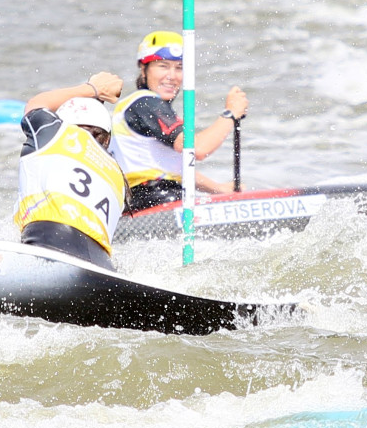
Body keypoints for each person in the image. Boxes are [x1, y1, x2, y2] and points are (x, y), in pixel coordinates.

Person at [108, 30, 249, 212]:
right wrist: (230, 114)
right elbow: (196, 149)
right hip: (153, 201)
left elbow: (173, 168)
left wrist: (219, 189)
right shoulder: (146, 102)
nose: (172, 76)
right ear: (144, 70)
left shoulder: (143, 107)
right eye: (163, 66)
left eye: (179, 68)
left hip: (142, 203)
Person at [14, 72, 127, 270]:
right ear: (107, 139)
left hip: (48, 241)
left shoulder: (55, 133)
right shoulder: (118, 174)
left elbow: (35, 104)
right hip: (101, 264)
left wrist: (92, 89)